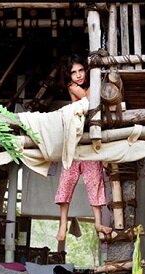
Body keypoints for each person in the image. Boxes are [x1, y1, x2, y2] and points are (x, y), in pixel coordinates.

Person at [55, 53, 112, 242]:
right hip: (75, 139)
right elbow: (89, 98)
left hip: (90, 139)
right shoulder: (73, 87)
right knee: (67, 181)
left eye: (81, 71)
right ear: (69, 76)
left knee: (95, 180)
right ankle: (62, 224)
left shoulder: (87, 85)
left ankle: (97, 222)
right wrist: (97, 85)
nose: (78, 75)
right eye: (74, 72)